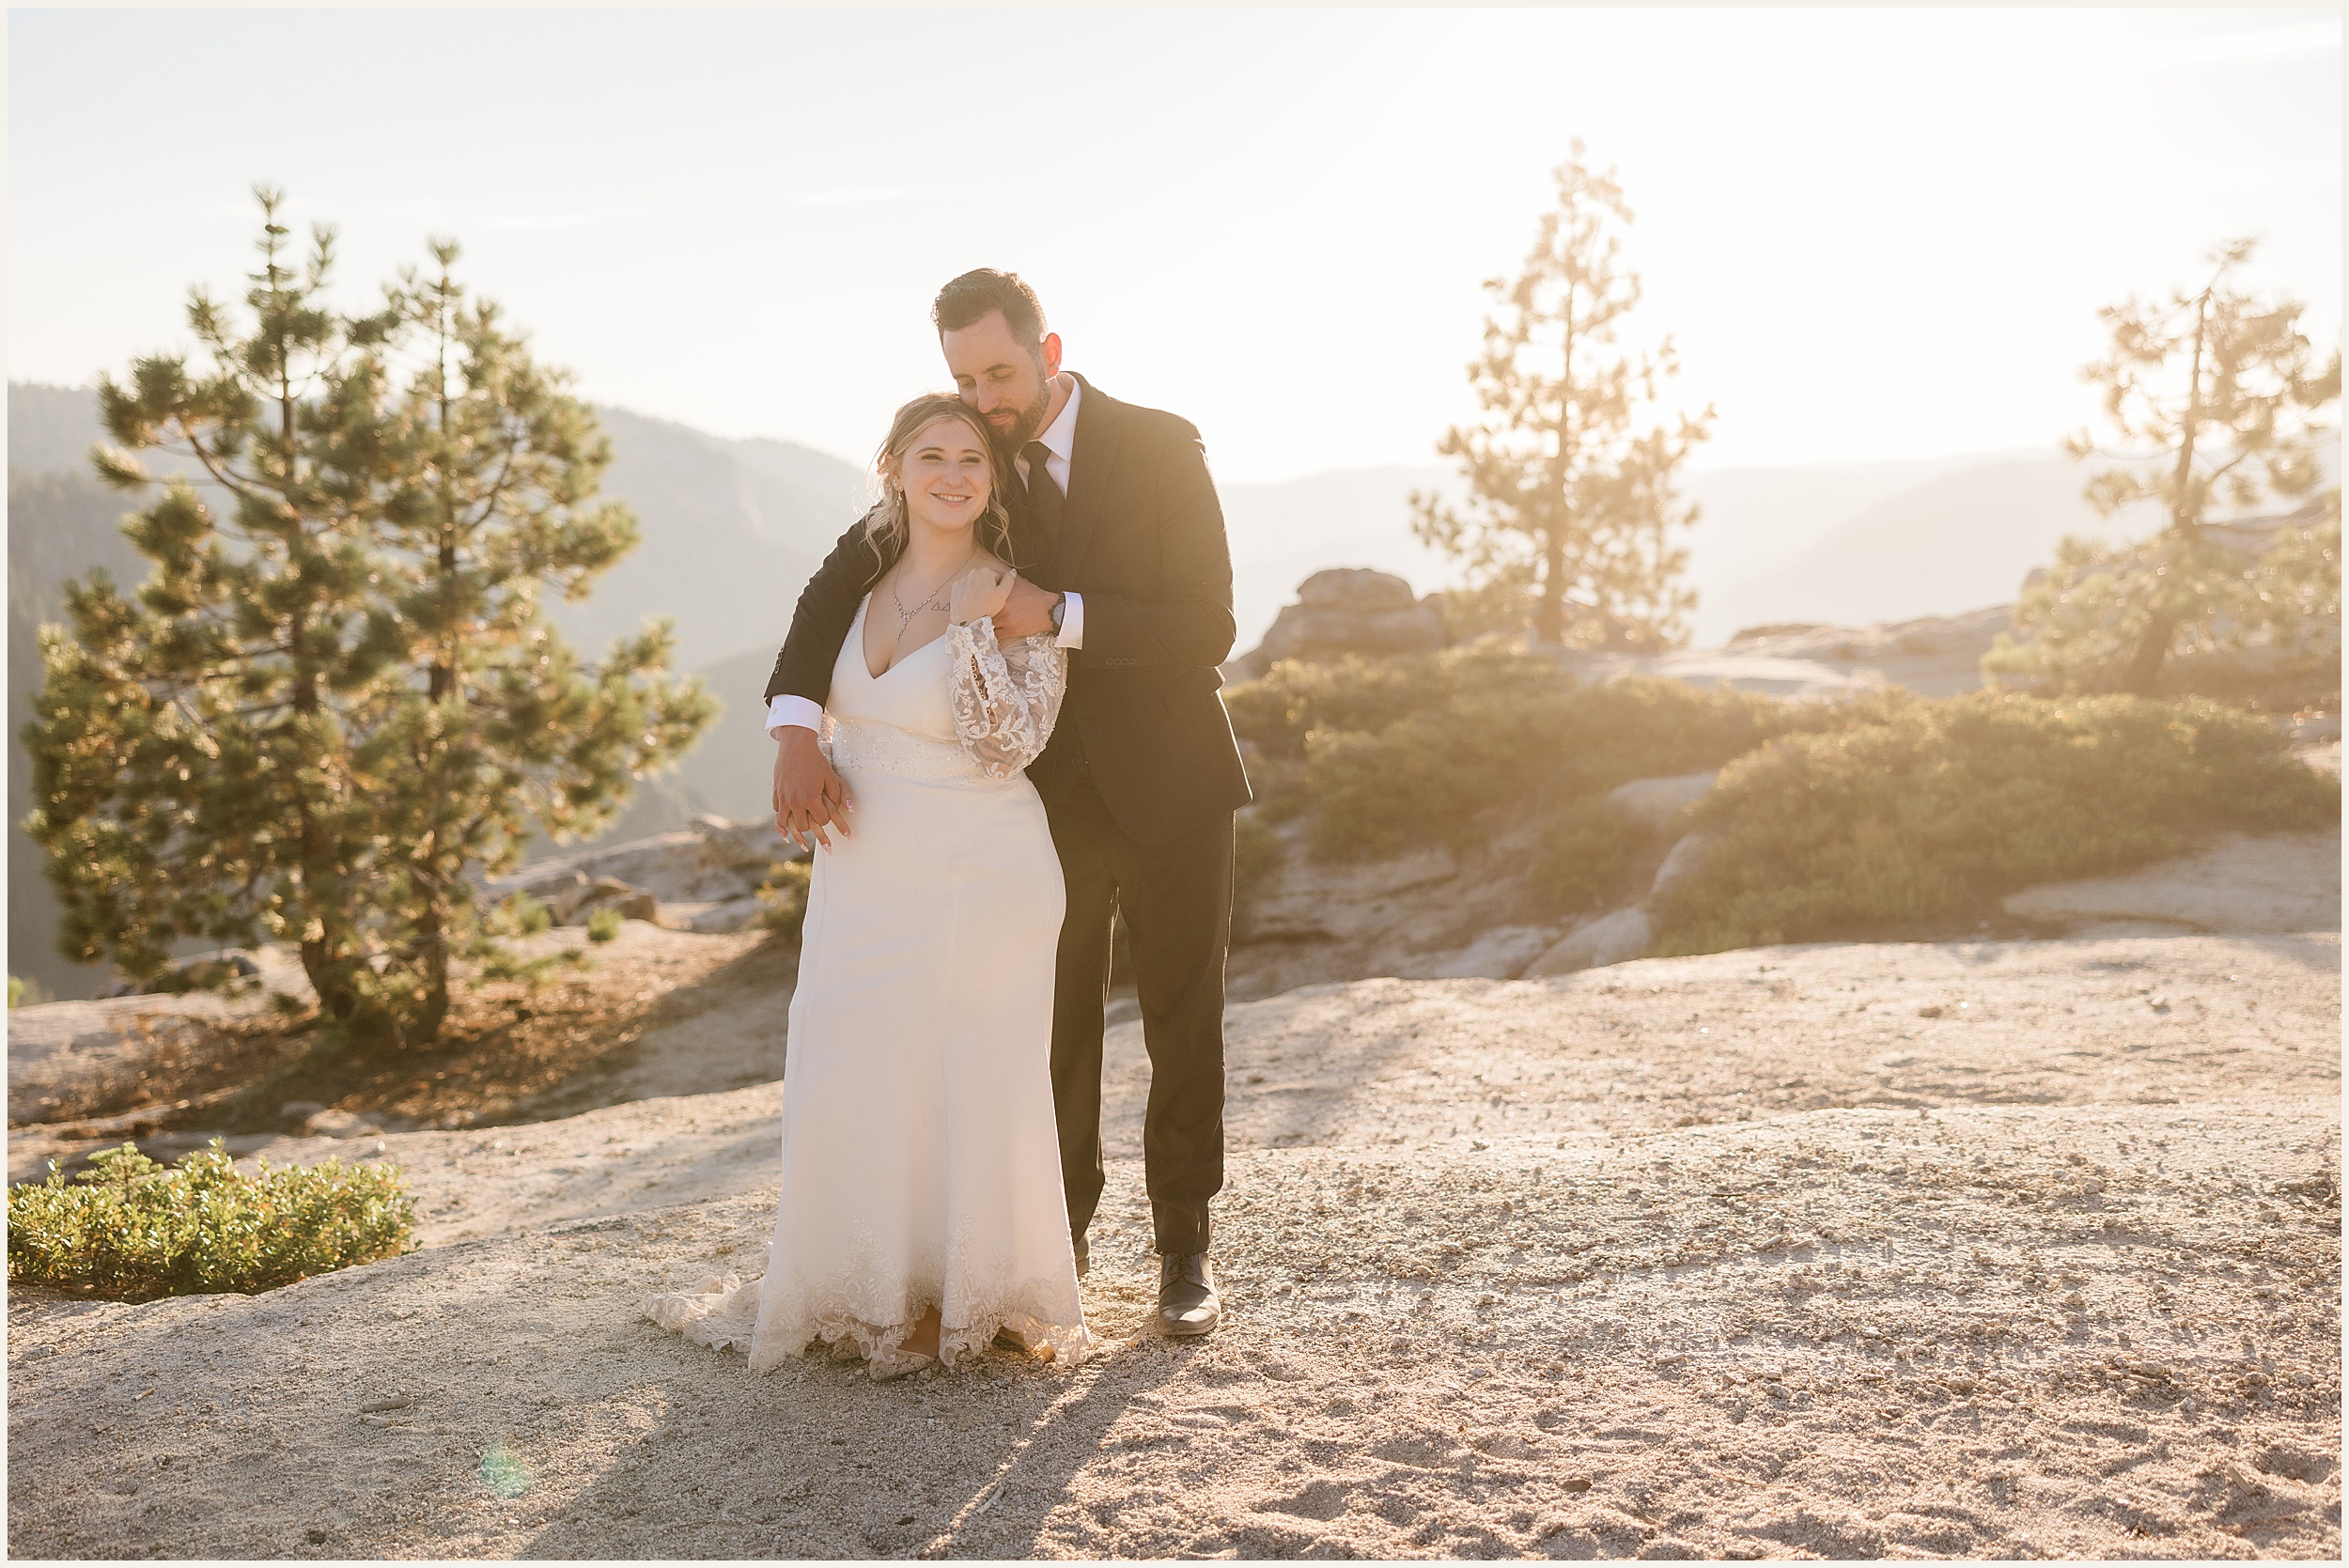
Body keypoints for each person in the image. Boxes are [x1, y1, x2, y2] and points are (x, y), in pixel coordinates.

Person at [766, 271, 1251, 1336]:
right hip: (1038, 798)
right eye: (961, 377)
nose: (981, 396)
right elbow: (825, 597)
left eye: (996, 371)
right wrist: (796, 727)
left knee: (1184, 1018)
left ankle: (1185, 1252)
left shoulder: (1162, 444)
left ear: (1049, 350)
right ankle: (1055, 1250)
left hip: (1174, 783)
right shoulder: (965, 459)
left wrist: (1055, 613)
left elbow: (1206, 624)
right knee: (1051, 1030)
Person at [642, 394, 1090, 1379]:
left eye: (972, 457)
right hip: (862, 868)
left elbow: (1010, 742)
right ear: (892, 466)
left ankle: (959, 1299)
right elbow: (812, 675)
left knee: (962, 1078)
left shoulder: (1012, 593)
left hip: (982, 867)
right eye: (931, 454)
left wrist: (976, 629)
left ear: (993, 476)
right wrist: (801, 743)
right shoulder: (859, 577)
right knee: (851, 1062)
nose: (953, 473)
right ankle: (865, 1286)